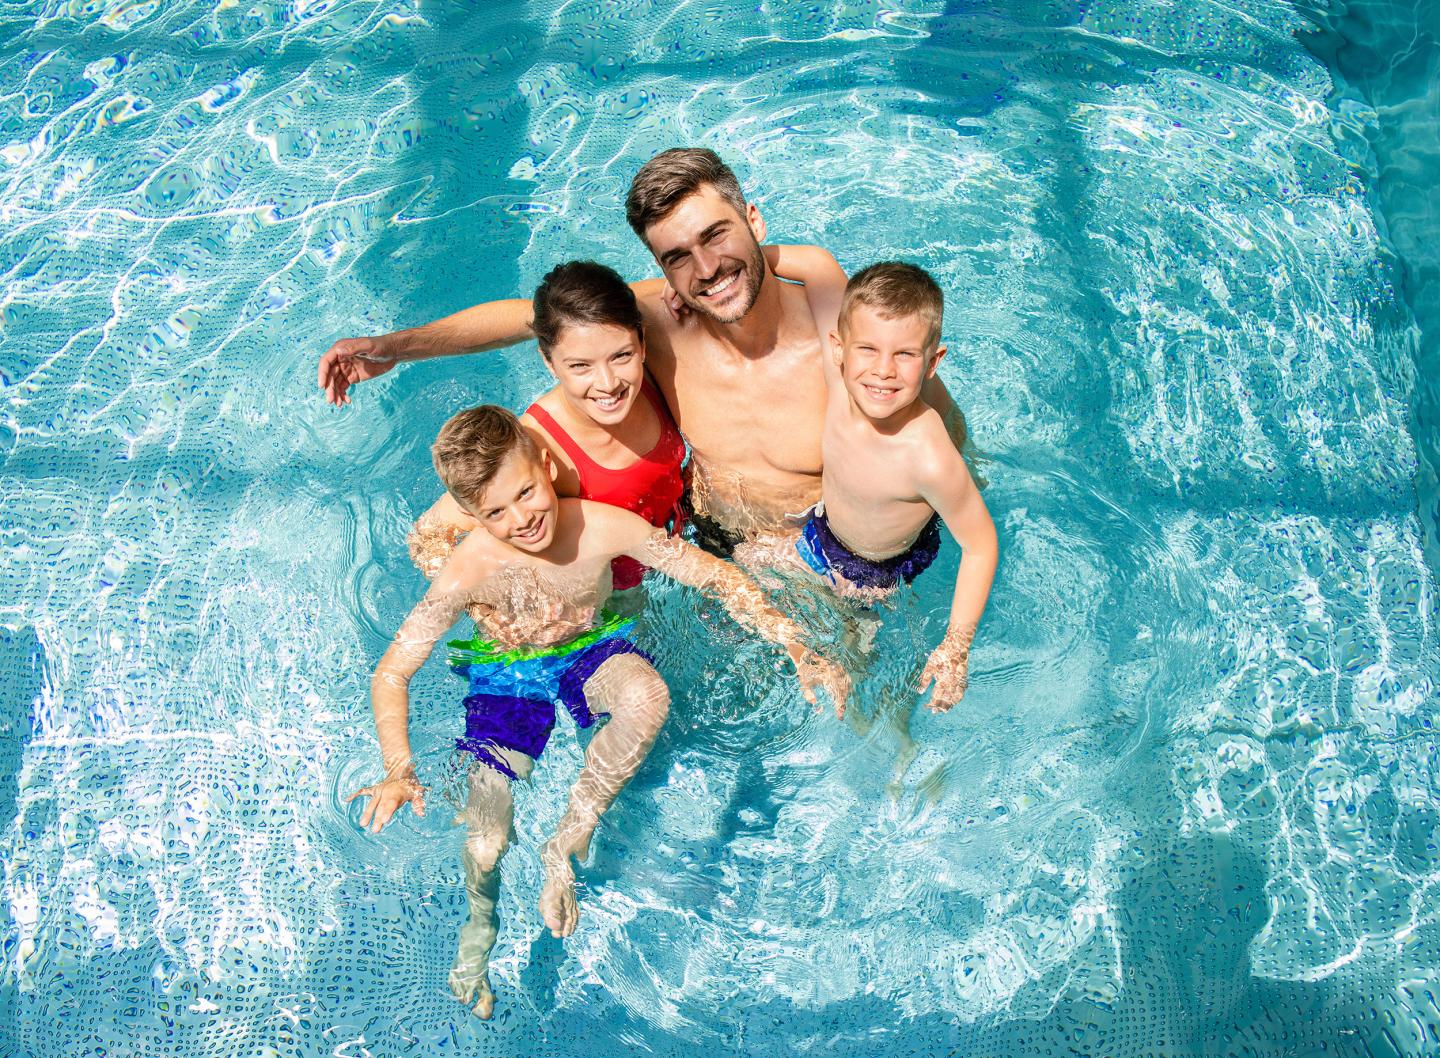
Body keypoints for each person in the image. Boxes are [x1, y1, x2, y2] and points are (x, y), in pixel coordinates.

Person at [348, 406, 848, 1020]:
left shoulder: (601, 528)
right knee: (485, 841)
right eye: (495, 513)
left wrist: (791, 639)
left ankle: (568, 838)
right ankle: (479, 930)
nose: (521, 519)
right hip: (509, 675)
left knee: (647, 696)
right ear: (472, 517)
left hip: (588, 649)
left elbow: (713, 576)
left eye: (525, 493)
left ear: (546, 465)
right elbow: (392, 672)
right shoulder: (468, 569)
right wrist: (398, 769)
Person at [317, 147, 964, 552]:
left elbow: (940, 436)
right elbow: (530, 317)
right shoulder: (654, 324)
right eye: (678, 257)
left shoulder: (844, 340)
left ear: (755, 222)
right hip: (710, 544)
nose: (706, 269)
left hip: (835, 555)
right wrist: (394, 348)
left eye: (717, 236)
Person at [744, 257, 998, 711]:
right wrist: (724, 270)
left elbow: (980, 545)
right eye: (868, 349)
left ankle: (886, 727)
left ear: (933, 362)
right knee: (739, 568)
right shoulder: (841, 384)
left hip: (875, 574)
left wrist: (956, 648)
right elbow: (817, 270)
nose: (883, 370)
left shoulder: (927, 456)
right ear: (838, 349)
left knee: (852, 671)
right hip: (820, 533)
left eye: (904, 355)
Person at [409, 260, 686, 594]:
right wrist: (486, 603)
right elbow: (428, 536)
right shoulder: (537, 444)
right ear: (549, 362)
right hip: (612, 595)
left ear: (642, 343)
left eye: (621, 356)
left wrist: (682, 287)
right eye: (580, 366)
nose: (608, 383)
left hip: (676, 545)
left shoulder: (652, 377)